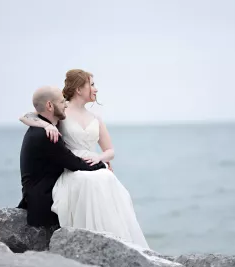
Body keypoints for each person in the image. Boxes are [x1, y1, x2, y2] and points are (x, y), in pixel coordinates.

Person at [19, 69, 149, 249]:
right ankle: (92, 242)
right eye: (92, 84)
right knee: (92, 180)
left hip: (93, 164)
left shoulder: (96, 118)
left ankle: (118, 242)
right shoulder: (62, 112)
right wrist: (43, 124)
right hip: (72, 167)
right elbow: (31, 114)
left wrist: (100, 159)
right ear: (79, 89)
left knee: (108, 179)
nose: (96, 89)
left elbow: (110, 150)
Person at [17, 85, 106, 229]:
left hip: (40, 191)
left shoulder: (42, 126)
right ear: (50, 106)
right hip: (43, 202)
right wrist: (101, 164)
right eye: (61, 102)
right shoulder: (47, 135)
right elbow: (74, 163)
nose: (65, 105)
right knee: (92, 182)